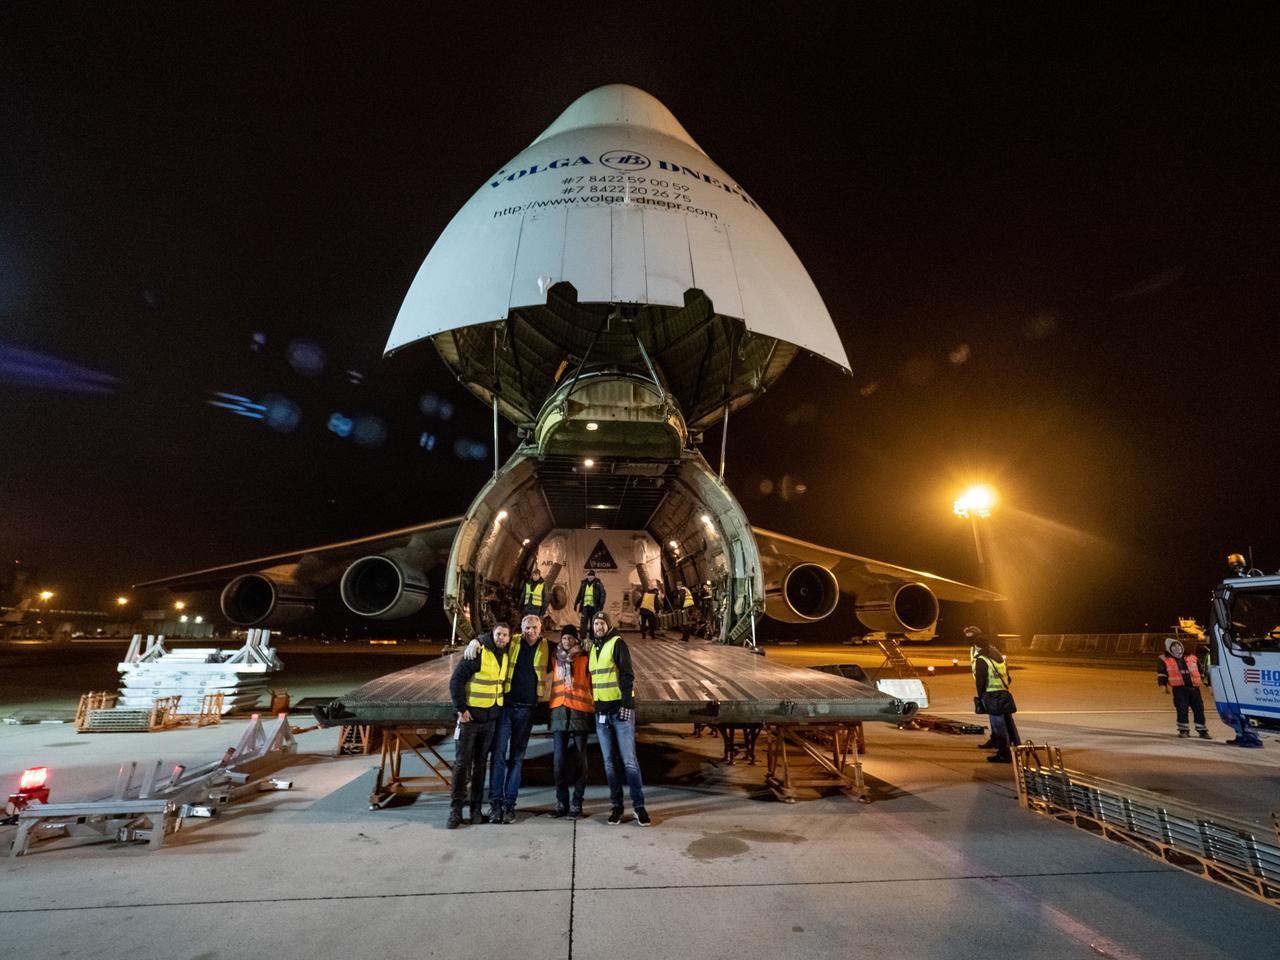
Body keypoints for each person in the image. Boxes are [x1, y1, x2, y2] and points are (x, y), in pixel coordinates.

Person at [466, 614, 549, 823]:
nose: (530, 631)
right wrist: (475, 641)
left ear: (540, 629)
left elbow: (571, 644)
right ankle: (495, 804)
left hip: (527, 710)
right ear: (522, 629)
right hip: (507, 708)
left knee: (517, 759)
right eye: (527, 628)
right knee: (499, 757)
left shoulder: (548, 646)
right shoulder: (513, 641)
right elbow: (494, 637)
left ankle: (510, 805)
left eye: (534, 628)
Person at [446, 622, 511, 828]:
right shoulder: (478, 652)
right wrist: (461, 709)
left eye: (505, 635)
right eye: (498, 634)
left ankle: (475, 810)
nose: (501, 638)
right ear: (492, 635)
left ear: (509, 638)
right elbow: (456, 680)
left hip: (490, 720)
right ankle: (455, 811)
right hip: (470, 720)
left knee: (480, 766)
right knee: (462, 764)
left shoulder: (505, 655)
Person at [589, 611, 650, 825]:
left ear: (608, 625)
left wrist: (626, 704)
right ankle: (616, 807)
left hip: (619, 712)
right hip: (601, 713)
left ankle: (639, 807)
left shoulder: (617, 643)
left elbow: (627, 674)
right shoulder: (593, 648)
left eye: (601, 623)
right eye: (595, 624)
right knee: (608, 764)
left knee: (629, 762)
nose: (598, 627)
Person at [549, 624, 594, 818]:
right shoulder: (555, 657)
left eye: (570, 638)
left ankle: (577, 802)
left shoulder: (585, 657)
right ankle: (562, 802)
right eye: (564, 638)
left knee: (579, 761)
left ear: (576, 640)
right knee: (559, 762)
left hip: (579, 712)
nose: (567, 641)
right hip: (559, 711)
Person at [972, 631, 1020, 763]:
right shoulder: (999, 659)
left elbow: (980, 681)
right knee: (1009, 723)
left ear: (978, 647)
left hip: (992, 695)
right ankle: (1017, 749)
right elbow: (1008, 678)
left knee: (998, 725)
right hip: (1004, 693)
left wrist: (981, 696)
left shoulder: (982, 660)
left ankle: (1004, 753)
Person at [1157, 637, 1212, 739]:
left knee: (1199, 709)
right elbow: (1162, 674)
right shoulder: (1165, 659)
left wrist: (1209, 685)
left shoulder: (1192, 657)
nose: (1177, 648)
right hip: (1179, 690)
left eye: (1178, 645)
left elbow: (1201, 673)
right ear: (1169, 649)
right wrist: (1163, 685)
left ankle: (1202, 730)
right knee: (1182, 710)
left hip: (1194, 688)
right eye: (1174, 647)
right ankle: (1183, 730)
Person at [965, 625, 1005, 749]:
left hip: (993, 689)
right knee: (994, 719)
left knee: (998, 720)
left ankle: (1003, 748)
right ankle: (996, 740)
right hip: (991, 689)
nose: (969, 640)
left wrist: (981, 692)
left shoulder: (988, 650)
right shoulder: (975, 649)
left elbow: (994, 668)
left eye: (971, 637)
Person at [574, 569, 606, 638]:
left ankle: (593, 639)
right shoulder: (583, 583)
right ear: (587, 576)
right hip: (585, 606)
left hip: (594, 607)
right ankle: (582, 639)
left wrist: (601, 605)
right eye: (589, 575)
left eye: (592, 575)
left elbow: (603, 594)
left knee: (593, 623)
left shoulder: (598, 583)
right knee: (583, 624)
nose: (590, 576)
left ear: (594, 576)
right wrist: (576, 603)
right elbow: (579, 594)